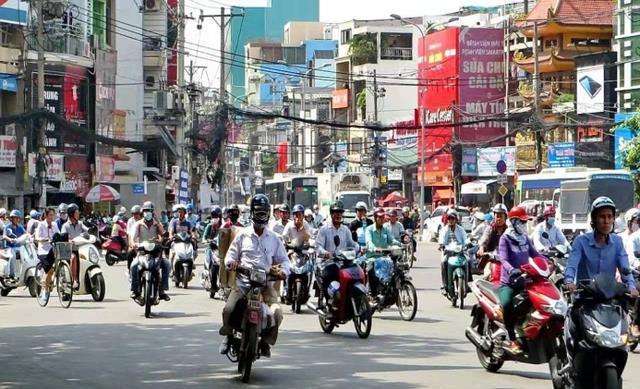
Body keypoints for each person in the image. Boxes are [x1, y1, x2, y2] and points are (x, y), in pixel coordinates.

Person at [219, 194, 290, 358]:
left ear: (268, 214)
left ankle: (265, 342)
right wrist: (232, 263)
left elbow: (285, 261)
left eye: (264, 213)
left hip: (265, 286)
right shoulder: (242, 235)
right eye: (258, 212)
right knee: (228, 309)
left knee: (277, 313)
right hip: (243, 283)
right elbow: (230, 256)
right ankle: (229, 335)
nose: (261, 216)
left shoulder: (274, 238)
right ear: (252, 213)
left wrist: (284, 272)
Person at [565, 197, 639, 338]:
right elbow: (571, 265)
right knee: (575, 330)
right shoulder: (581, 241)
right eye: (602, 217)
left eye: (609, 216)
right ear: (594, 219)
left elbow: (625, 268)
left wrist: (631, 286)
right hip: (585, 297)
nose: (606, 221)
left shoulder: (617, 242)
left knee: (622, 332)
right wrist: (569, 281)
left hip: (609, 298)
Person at [497, 206, 544, 354]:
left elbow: (535, 254)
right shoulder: (505, 238)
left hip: (525, 279)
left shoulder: (525, 238)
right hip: (509, 282)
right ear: (513, 222)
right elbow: (503, 259)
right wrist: (512, 270)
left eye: (525, 222)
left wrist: (548, 262)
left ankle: (526, 333)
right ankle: (511, 339)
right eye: (522, 222)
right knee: (507, 304)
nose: (524, 225)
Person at [315, 201, 358, 308]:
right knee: (329, 277)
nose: (338, 215)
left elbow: (352, 244)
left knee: (356, 273)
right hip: (327, 263)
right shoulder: (324, 229)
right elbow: (318, 246)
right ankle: (329, 302)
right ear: (331, 214)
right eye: (335, 212)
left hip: (343, 263)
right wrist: (326, 253)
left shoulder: (345, 230)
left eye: (340, 212)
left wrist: (359, 248)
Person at [130, 201, 170, 301]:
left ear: (153, 212)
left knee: (167, 264)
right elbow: (132, 237)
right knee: (133, 266)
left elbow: (163, 234)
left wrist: (161, 239)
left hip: (156, 252)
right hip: (142, 252)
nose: (148, 213)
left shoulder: (157, 224)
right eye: (146, 211)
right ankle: (135, 290)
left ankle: (162, 290)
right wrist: (133, 244)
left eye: (150, 211)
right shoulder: (138, 224)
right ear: (143, 212)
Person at [438, 209, 469, 294]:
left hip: (460, 251)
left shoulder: (461, 229)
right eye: (449, 219)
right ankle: (444, 285)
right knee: (443, 262)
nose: (451, 221)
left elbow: (465, 239)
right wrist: (441, 245)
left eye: (452, 219)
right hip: (448, 251)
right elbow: (441, 239)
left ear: (456, 219)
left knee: (468, 261)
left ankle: (468, 283)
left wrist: (467, 243)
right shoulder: (444, 229)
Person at [60, 203, 89, 289]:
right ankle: (74, 280)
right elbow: (63, 237)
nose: (78, 214)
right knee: (73, 258)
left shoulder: (80, 223)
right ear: (72, 214)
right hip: (70, 250)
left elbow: (87, 230)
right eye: (77, 212)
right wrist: (69, 240)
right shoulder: (65, 226)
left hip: (81, 249)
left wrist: (91, 231)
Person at [218, 204, 244, 297]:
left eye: (236, 212)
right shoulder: (225, 225)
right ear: (229, 214)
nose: (234, 214)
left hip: (238, 252)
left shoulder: (241, 226)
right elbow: (220, 240)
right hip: (226, 251)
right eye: (233, 212)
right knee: (222, 264)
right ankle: (222, 286)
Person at [35, 208, 59, 290]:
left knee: (54, 268)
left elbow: (58, 235)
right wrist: (45, 239)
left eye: (53, 215)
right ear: (46, 215)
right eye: (50, 215)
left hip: (53, 250)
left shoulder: (55, 225)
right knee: (49, 269)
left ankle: (49, 283)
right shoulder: (41, 225)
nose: (52, 217)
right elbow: (37, 237)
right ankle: (44, 286)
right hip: (43, 251)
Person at [3, 210, 26, 281]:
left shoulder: (20, 227)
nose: (17, 219)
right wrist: (9, 239)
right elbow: (4, 236)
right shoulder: (7, 227)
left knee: (25, 257)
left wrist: (30, 236)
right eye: (15, 218)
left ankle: (22, 274)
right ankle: (12, 275)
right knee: (12, 256)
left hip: (18, 247)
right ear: (11, 218)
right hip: (9, 247)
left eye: (18, 218)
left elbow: (25, 234)